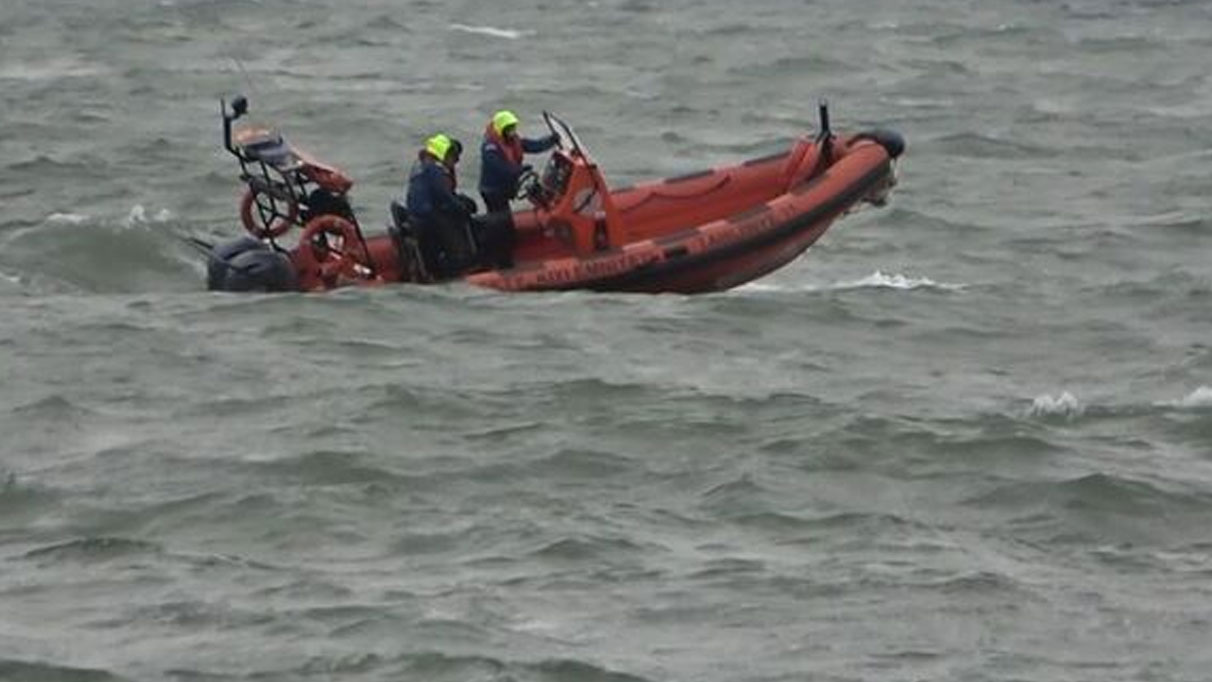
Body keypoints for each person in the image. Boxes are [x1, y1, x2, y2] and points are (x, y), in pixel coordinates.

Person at [405, 133, 475, 278]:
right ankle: (456, 267)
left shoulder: (421, 164)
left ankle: (438, 266)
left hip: (418, 213)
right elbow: (443, 195)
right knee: (456, 243)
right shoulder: (434, 169)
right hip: (427, 215)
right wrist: (461, 207)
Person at [478, 110, 559, 214]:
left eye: (513, 127)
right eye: (509, 128)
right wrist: (520, 170)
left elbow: (534, 145)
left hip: (504, 188)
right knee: (500, 218)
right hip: (492, 190)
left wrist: (551, 140)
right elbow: (501, 168)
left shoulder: (512, 141)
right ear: (501, 129)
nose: (512, 131)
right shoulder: (490, 148)